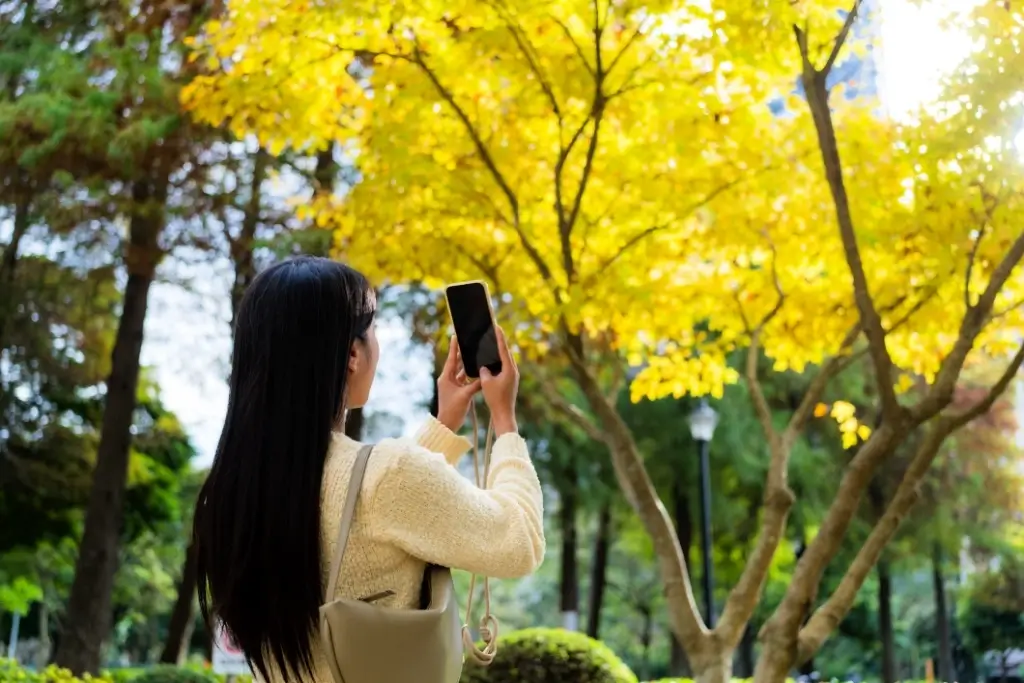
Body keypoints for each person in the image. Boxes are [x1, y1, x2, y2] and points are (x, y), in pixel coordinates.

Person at [192, 257, 545, 683]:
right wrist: (504, 419)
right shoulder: (389, 474)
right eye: (373, 328)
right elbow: (519, 541)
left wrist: (444, 422)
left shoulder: (231, 491)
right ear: (352, 354)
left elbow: (365, 509)